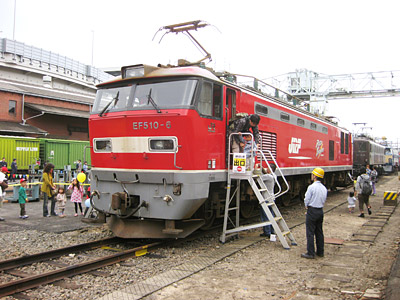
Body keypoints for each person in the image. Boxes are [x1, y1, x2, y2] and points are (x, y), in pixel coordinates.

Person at [301, 167, 327, 259]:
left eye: (312, 174)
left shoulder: (311, 187)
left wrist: (307, 207)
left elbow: (306, 199)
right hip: (320, 210)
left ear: (315, 176)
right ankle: (320, 252)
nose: (311, 176)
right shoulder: (324, 188)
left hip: (312, 211)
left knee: (310, 232)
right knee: (319, 232)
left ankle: (310, 253)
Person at [260, 164, 277, 238]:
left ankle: (267, 232)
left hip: (266, 198)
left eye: (267, 168)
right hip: (272, 197)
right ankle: (272, 230)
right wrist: (263, 169)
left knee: (265, 216)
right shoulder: (274, 175)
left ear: (270, 169)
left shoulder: (268, 176)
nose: (266, 169)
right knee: (271, 215)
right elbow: (265, 174)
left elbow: (260, 178)